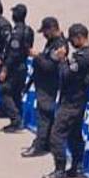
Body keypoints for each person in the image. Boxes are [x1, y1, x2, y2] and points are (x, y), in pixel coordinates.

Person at [43, 23, 89, 178]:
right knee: (74, 134)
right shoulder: (82, 54)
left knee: (57, 134)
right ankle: (76, 166)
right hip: (74, 99)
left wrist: (62, 60)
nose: (71, 43)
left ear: (79, 38)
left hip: (73, 101)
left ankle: (59, 169)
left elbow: (66, 74)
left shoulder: (84, 57)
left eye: (73, 39)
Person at [22, 17, 66, 158]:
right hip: (43, 84)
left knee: (44, 117)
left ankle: (40, 145)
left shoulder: (59, 45)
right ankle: (46, 143)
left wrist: (37, 56)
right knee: (45, 116)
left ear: (52, 29)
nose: (44, 35)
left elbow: (49, 66)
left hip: (49, 87)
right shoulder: (52, 42)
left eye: (45, 31)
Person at [0, 4, 34, 133]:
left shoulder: (16, 33)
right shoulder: (29, 30)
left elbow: (13, 54)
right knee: (16, 94)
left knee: (4, 91)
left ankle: (16, 119)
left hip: (14, 68)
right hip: (23, 67)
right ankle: (18, 120)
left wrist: (4, 70)